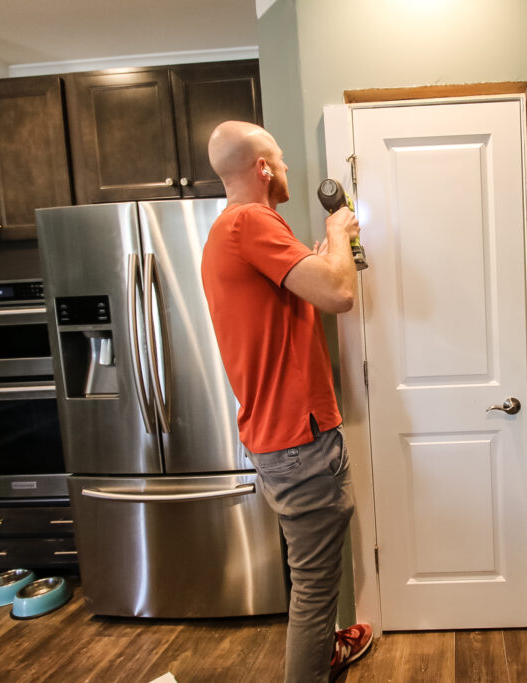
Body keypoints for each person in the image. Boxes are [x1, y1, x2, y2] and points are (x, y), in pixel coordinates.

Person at [201, 120, 371, 682]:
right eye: (281, 157)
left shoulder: (233, 229)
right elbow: (340, 294)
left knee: (312, 583)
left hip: (282, 440)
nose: (290, 167)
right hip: (300, 445)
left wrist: (327, 254)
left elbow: (316, 288)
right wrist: (338, 232)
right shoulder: (251, 222)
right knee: (315, 592)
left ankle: (325, 650)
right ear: (263, 169)